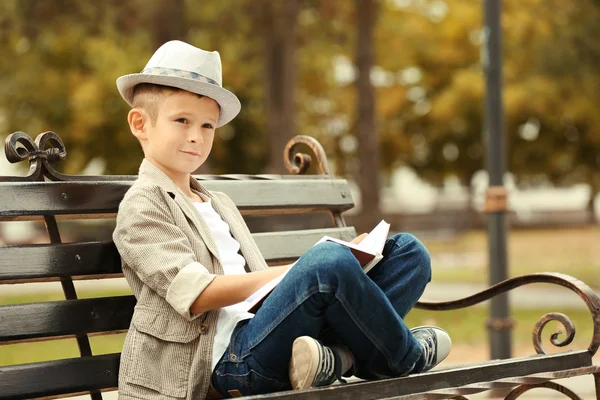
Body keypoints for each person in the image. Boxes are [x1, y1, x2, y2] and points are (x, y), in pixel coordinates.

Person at [113, 40, 452, 400]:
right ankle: (403, 358)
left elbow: (268, 292)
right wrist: (303, 268)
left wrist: (351, 260)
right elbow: (195, 295)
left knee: (407, 253)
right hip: (229, 365)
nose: (196, 136)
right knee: (327, 263)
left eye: (208, 126)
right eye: (181, 121)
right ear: (140, 124)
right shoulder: (142, 205)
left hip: (277, 340)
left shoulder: (219, 202)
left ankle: (338, 359)